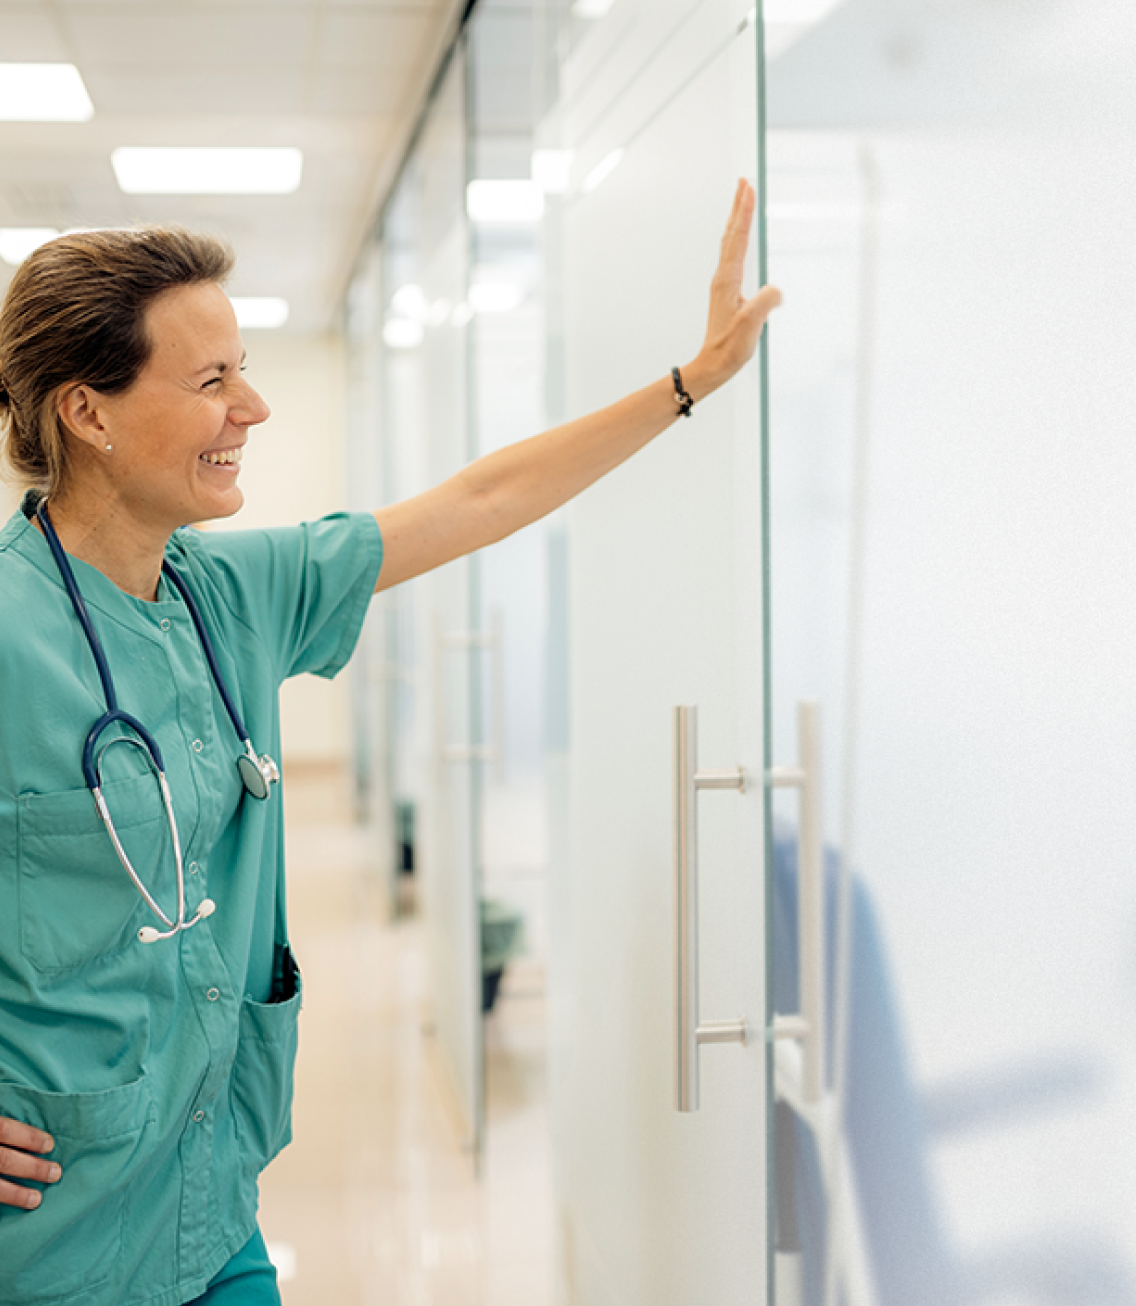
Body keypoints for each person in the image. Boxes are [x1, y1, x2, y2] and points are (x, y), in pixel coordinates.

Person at [0, 180, 780, 1306]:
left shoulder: (234, 591)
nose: (251, 408)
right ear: (89, 412)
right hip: (50, 1241)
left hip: (209, 1203)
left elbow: (481, 499)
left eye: (248, 368)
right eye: (212, 380)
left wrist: (688, 385)